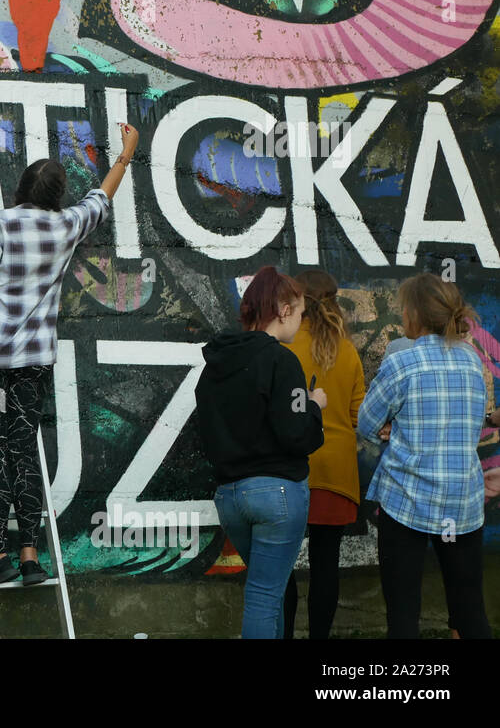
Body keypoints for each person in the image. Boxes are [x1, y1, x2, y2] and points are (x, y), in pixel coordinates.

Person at [0, 123, 138, 585]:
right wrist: (125, 155)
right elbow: (101, 199)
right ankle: (30, 554)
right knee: (25, 452)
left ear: (19, 189)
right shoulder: (67, 226)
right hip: (33, 364)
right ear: (56, 196)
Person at [356, 273, 491, 639]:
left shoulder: (403, 362)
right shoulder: (471, 361)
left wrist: (391, 428)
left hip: (408, 501)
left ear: (415, 313)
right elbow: (472, 423)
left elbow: (366, 424)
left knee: (403, 613)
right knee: (469, 607)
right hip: (462, 502)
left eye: (403, 309)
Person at [195, 266, 325, 639]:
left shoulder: (214, 367)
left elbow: (206, 434)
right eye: (299, 312)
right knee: (266, 596)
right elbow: (297, 436)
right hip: (277, 494)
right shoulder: (282, 361)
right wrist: (315, 407)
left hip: (230, 496)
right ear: (283, 309)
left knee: (269, 591)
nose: (300, 322)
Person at [281, 270, 365, 639]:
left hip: (289, 469)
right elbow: (359, 416)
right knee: (326, 566)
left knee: (280, 567)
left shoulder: (280, 345)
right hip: (336, 472)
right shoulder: (345, 350)